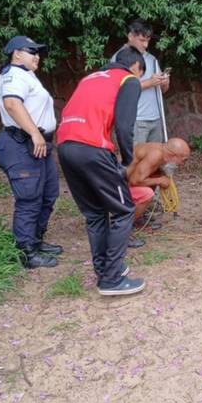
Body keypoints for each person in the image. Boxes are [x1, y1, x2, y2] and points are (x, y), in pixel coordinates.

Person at [56, 47, 147, 297]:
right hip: (92, 149)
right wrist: (128, 161)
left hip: (65, 146)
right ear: (136, 68)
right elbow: (125, 126)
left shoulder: (90, 78)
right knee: (123, 209)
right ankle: (112, 279)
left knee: (95, 214)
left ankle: (104, 270)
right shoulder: (128, 79)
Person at [0, 36, 62, 269]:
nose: (37, 55)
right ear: (16, 54)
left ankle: (36, 241)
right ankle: (26, 253)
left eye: (38, 52)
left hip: (37, 146)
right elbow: (12, 104)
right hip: (21, 144)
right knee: (29, 199)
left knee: (49, 193)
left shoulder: (27, 75)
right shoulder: (13, 75)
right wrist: (34, 132)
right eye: (32, 51)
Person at [111, 19, 170, 144]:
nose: (146, 45)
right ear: (130, 36)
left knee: (154, 161)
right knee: (134, 161)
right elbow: (119, 89)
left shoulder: (151, 58)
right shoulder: (119, 58)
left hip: (156, 118)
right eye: (142, 40)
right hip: (134, 120)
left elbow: (162, 91)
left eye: (148, 41)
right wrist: (150, 82)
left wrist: (164, 82)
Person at [127, 138, 191, 221]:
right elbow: (135, 180)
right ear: (174, 155)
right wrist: (160, 180)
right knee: (147, 194)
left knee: (155, 176)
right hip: (116, 187)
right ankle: (126, 225)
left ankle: (133, 215)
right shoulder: (156, 155)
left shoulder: (159, 150)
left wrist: (158, 176)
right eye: (183, 160)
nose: (182, 164)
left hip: (120, 183)